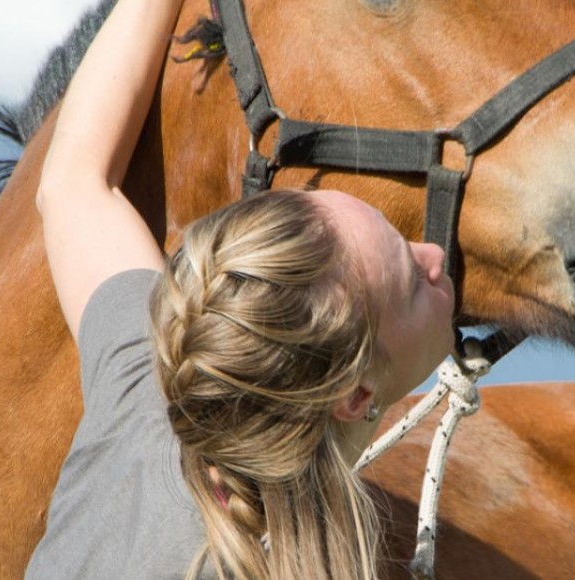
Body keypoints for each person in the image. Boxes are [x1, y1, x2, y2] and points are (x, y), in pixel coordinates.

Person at [23, 1, 455, 578]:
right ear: (354, 396)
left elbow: (75, 181)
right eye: (408, 284)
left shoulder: (145, 398)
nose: (435, 258)